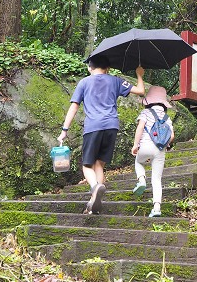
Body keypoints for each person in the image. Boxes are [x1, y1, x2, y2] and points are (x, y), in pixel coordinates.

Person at [58, 56, 145, 214]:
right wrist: (139, 74)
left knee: (87, 166)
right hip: (112, 126)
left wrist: (64, 130)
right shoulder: (115, 80)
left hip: (93, 127)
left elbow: (74, 107)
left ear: (89, 67)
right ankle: (94, 204)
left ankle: (95, 187)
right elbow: (140, 91)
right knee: (99, 165)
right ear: (108, 68)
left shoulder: (84, 82)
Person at [131, 85, 174, 218]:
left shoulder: (146, 113)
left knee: (138, 162)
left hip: (145, 146)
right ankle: (156, 208)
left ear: (149, 101)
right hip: (160, 150)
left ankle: (142, 180)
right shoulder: (167, 118)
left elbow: (140, 128)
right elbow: (172, 136)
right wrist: (164, 144)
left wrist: (135, 145)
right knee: (156, 179)